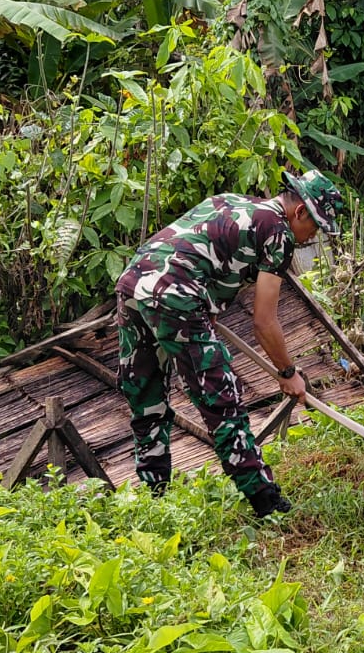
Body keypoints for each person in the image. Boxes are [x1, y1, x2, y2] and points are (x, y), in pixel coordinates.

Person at [114, 171, 347, 514]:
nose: (309, 238)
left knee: (145, 395)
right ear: (300, 213)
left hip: (134, 283)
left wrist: (205, 308)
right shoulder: (278, 233)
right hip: (176, 296)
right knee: (222, 401)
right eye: (313, 229)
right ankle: (266, 501)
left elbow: (198, 251)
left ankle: (154, 495)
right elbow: (264, 322)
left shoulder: (231, 201)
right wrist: (288, 371)